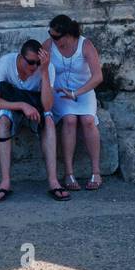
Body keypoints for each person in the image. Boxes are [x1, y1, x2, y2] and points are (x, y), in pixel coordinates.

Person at [0, 39, 70, 203]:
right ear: (20, 57)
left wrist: (44, 72)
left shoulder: (46, 68)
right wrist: (22, 105)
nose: (34, 67)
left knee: (49, 120)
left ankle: (53, 182)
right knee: (1, 119)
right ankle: (5, 182)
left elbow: (47, 106)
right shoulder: (6, 62)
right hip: (13, 105)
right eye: (31, 62)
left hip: (36, 109)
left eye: (38, 63)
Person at [44, 14, 104, 191]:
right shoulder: (48, 45)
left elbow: (98, 76)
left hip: (83, 91)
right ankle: (69, 173)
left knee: (88, 120)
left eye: (56, 36)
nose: (53, 39)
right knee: (69, 119)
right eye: (51, 35)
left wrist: (76, 92)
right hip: (60, 93)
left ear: (68, 34)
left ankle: (96, 171)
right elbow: (40, 70)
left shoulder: (85, 45)